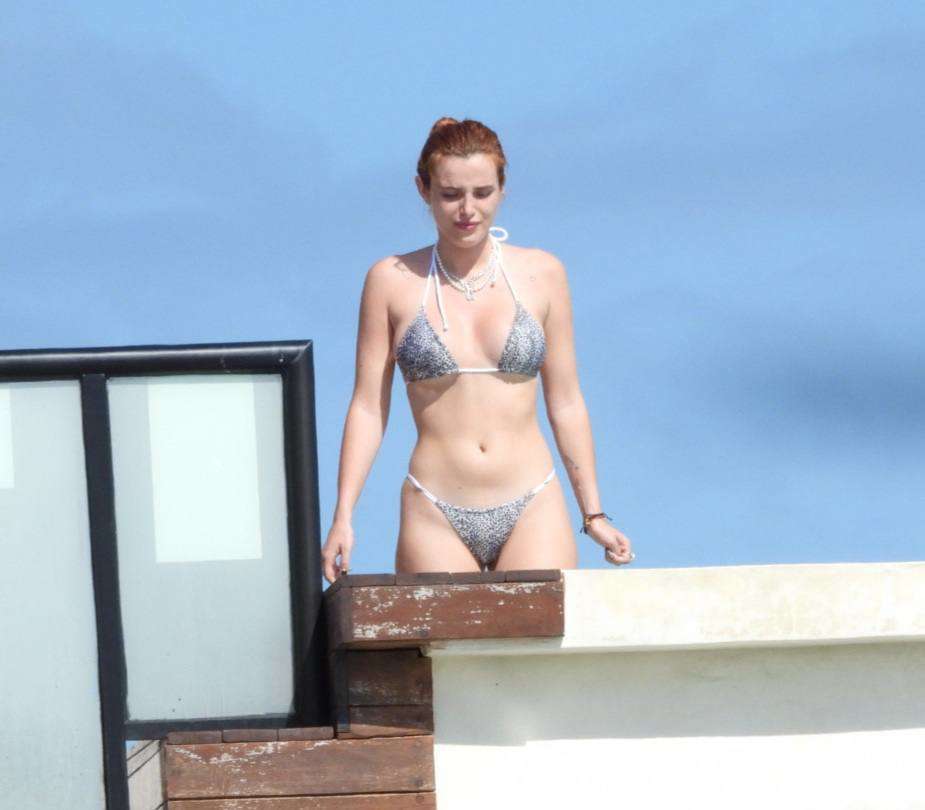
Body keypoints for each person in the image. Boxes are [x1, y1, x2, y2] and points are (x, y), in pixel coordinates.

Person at [321, 117, 634, 584]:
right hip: (434, 505)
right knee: (445, 633)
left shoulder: (543, 274)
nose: (467, 210)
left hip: (533, 498)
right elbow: (368, 406)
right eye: (450, 194)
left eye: (482, 193)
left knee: (535, 627)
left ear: (503, 189)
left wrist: (594, 514)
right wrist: (343, 516)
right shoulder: (390, 280)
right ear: (423, 190)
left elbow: (566, 401)